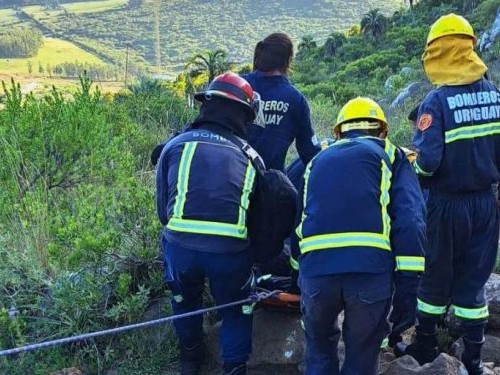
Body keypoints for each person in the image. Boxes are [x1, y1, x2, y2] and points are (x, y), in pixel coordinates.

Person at [395, 14, 500, 375]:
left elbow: (428, 162)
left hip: (446, 204)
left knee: (435, 274)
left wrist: (413, 168)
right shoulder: (494, 95)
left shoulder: (437, 102)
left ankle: (425, 344)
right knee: (474, 280)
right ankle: (472, 360)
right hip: (486, 204)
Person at [297, 97, 426, 375]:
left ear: (339, 131)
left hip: (317, 273)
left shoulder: (316, 160)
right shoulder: (391, 155)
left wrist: (298, 269)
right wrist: (408, 285)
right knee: (362, 354)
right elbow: (411, 220)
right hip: (368, 273)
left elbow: (297, 216)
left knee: (319, 352)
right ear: (382, 131)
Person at [156, 72, 265, 375]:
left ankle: (190, 360)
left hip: (180, 248)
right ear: (245, 114)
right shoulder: (251, 156)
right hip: (230, 253)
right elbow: (257, 220)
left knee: (184, 301)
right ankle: (233, 369)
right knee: (235, 312)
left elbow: (163, 211)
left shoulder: (174, 145)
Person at [241, 32, 320, 171]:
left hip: (229, 177)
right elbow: (310, 154)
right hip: (268, 186)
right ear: (287, 60)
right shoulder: (295, 100)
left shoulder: (238, 86)